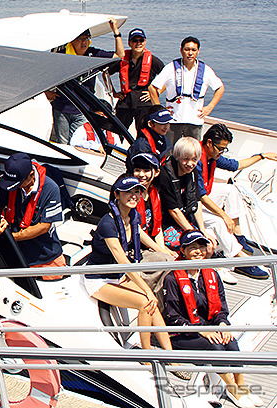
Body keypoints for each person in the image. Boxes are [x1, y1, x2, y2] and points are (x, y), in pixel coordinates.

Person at [162, 230, 264, 408]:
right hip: (183, 333)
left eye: (201, 247)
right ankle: (232, 390)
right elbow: (172, 316)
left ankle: (241, 385)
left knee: (229, 339)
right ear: (183, 251)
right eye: (192, 248)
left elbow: (221, 307)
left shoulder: (211, 275)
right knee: (215, 346)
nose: (198, 251)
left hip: (209, 326)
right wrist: (200, 330)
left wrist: (223, 324)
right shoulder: (172, 278)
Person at [82, 175, 174, 351]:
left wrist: (160, 249)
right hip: (99, 280)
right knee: (146, 302)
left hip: (117, 277)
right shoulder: (108, 224)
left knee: (151, 301)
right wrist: (146, 289)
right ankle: (147, 355)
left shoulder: (132, 215)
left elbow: (139, 232)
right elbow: (122, 261)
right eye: (128, 192)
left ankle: (170, 354)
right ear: (117, 195)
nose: (134, 196)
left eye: (137, 191)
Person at [195, 124, 275, 281]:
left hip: (200, 198)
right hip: (191, 205)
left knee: (231, 190)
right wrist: (225, 216)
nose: (222, 152)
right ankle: (240, 261)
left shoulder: (213, 156)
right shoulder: (196, 159)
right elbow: (200, 195)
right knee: (218, 221)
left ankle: (238, 236)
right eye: (221, 148)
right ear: (209, 143)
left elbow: (235, 165)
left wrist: (262, 156)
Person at [46, 20, 124, 144]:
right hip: (61, 107)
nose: (84, 42)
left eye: (87, 38)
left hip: (82, 109)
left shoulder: (93, 54)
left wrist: (116, 32)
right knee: (63, 143)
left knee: (77, 142)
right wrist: (47, 92)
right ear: (72, 41)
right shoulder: (61, 55)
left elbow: (120, 55)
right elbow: (45, 71)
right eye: (80, 39)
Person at [0, 153, 65, 278]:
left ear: (31, 175)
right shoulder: (6, 183)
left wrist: (12, 237)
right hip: (14, 255)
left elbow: (44, 226)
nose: (12, 187)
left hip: (46, 259)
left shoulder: (51, 189)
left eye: (17, 183)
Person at [150, 36, 225, 143]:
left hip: (195, 121)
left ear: (198, 51)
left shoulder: (206, 70)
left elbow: (220, 88)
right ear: (181, 50)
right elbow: (152, 87)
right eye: (187, 49)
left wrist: (210, 106)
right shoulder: (171, 68)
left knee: (192, 153)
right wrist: (159, 109)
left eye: (193, 50)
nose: (190, 53)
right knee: (170, 153)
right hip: (173, 121)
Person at [157, 137, 215, 252]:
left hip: (186, 220)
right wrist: (193, 234)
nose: (190, 164)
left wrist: (202, 230)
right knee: (194, 247)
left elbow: (196, 201)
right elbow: (173, 210)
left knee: (209, 246)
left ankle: (204, 270)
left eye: (194, 159)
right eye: (186, 159)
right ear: (178, 156)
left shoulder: (193, 172)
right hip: (167, 224)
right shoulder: (165, 175)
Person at [109, 28, 165, 132]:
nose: (138, 43)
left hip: (144, 102)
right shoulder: (122, 58)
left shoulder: (153, 60)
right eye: (135, 41)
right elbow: (106, 73)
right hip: (125, 101)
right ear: (129, 43)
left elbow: (167, 77)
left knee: (144, 133)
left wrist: (157, 92)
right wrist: (113, 92)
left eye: (141, 41)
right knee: (117, 132)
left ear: (145, 42)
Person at [128, 153, 177, 260]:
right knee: (168, 260)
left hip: (150, 244)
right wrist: (160, 250)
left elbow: (157, 227)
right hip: (134, 247)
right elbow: (136, 229)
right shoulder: (129, 195)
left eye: (146, 171)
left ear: (157, 172)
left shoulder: (154, 192)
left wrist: (162, 247)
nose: (141, 174)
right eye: (137, 170)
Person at [126, 105, 173, 170]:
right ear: (150, 124)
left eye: (167, 123)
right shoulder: (142, 146)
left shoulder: (162, 141)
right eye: (162, 123)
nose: (166, 126)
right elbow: (141, 173)